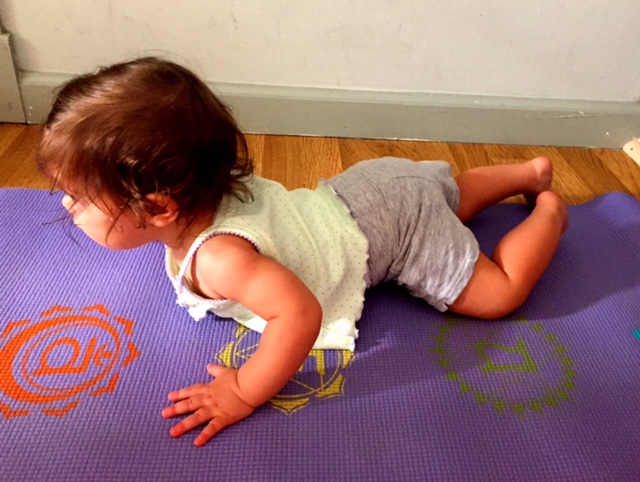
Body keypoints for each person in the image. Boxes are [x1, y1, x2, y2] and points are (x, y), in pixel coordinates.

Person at [36, 57, 569, 447]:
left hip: (393, 230)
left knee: (498, 293)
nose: (67, 204)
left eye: (78, 197)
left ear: (158, 208)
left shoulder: (222, 259)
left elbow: (299, 314)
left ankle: (550, 211)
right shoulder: (208, 191)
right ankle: (528, 172)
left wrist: (244, 390)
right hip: (364, 190)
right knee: (445, 196)